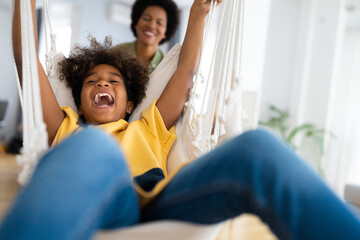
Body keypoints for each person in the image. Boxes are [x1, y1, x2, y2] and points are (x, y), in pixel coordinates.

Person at [1, 0, 360, 240]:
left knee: (257, 146)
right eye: (92, 82)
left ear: (129, 105)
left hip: (162, 199)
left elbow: (186, 73)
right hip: (94, 195)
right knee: (92, 143)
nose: (102, 84)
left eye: (113, 81)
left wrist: (200, 14)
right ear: (79, 101)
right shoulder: (66, 125)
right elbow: (26, 64)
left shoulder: (148, 125)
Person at [112, 0, 179, 73]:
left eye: (159, 23)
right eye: (146, 19)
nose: (151, 26)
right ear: (136, 23)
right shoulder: (116, 53)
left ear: (166, 32)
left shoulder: (166, 66)